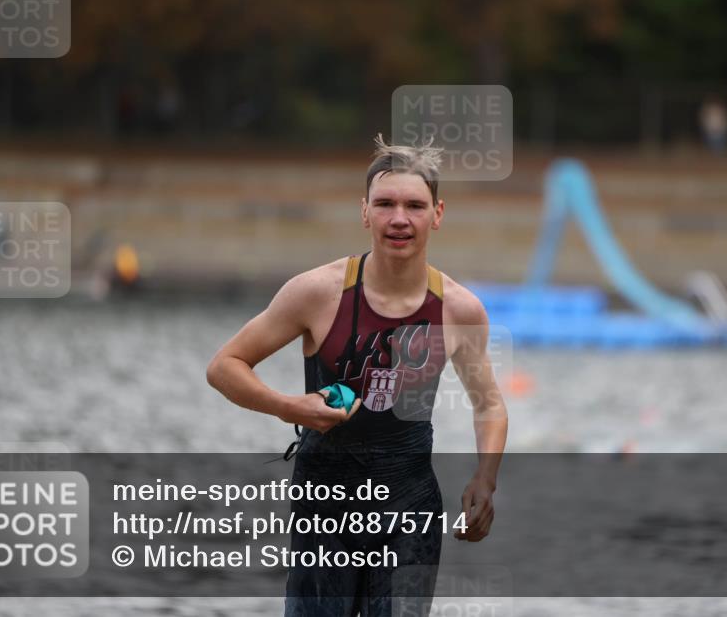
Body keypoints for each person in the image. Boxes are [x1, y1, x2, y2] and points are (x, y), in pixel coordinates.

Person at [206, 135, 508, 616]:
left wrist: (485, 479)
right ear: (365, 212)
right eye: (385, 204)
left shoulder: (459, 309)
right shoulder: (317, 292)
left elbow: (488, 404)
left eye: (414, 205)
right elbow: (224, 366)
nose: (399, 219)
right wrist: (289, 407)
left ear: (437, 214)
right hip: (324, 508)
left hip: (409, 508)